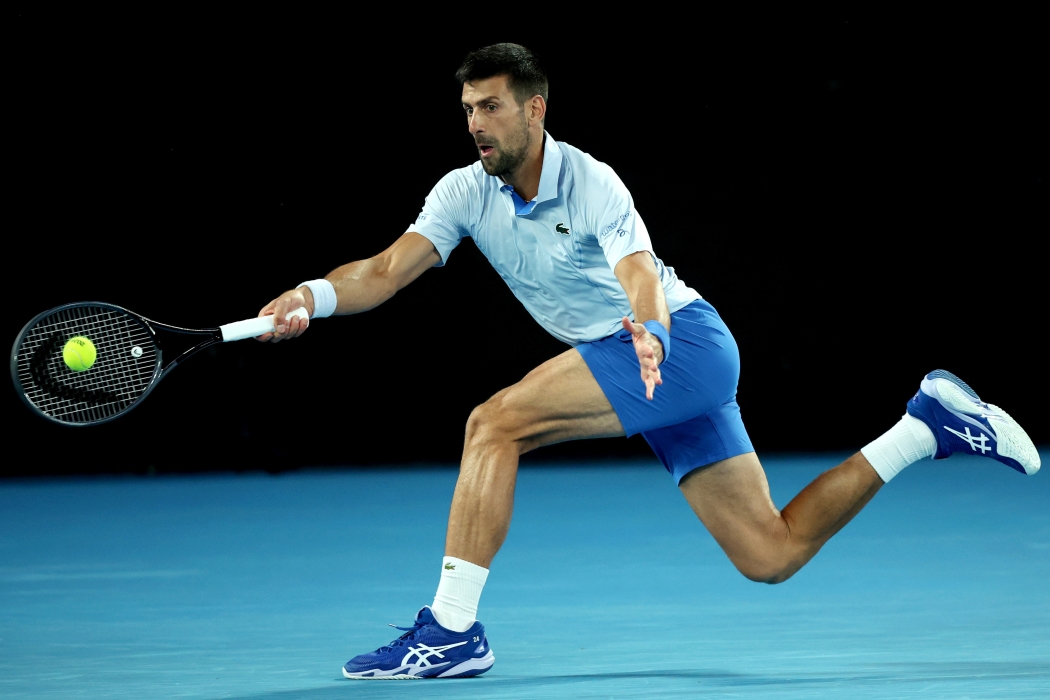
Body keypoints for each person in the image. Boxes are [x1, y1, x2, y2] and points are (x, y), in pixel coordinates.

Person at [255, 43, 1041, 680]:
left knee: (494, 424)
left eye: (490, 107)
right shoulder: (464, 192)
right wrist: (308, 296)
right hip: (642, 361)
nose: (476, 125)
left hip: (682, 347)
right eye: (467, 110)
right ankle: (926, 428)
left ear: (535, 107)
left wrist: (651, 332)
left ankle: (453, 630)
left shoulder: (592, 181)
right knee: (769, 554)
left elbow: (639, 272)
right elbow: (387, 270)